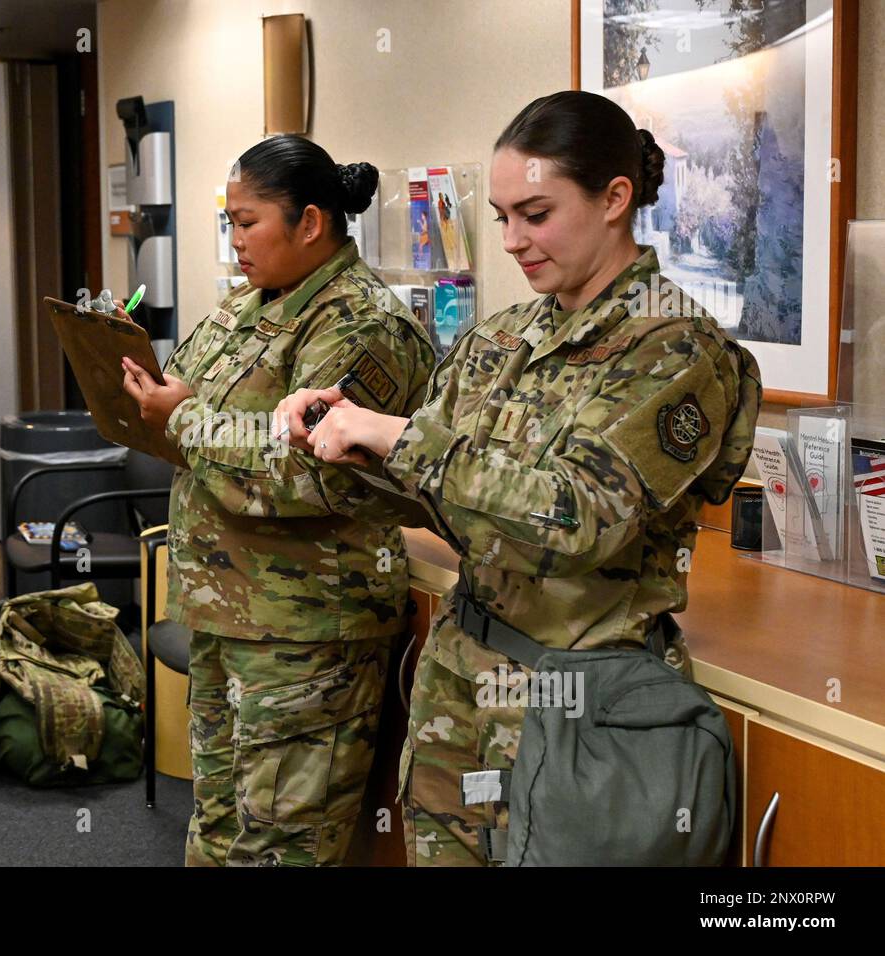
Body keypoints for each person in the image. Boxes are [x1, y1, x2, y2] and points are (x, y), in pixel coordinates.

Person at [277, 90, 761, 866]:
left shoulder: (676, 351)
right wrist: (344, 442)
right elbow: (441, 494)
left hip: (579, 705)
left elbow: (581, 517)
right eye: (501, 216)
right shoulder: (501, 338)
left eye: (535, 214)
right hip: (463, 687)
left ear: (614, 199)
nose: (510, 240)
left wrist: (404, 438)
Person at [122, 134, 437, 866]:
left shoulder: (362, 326)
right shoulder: (246, 307)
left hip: (305, 633)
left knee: (281, 850)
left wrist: (188, 419)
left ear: (310, 223)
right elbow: (191, 420)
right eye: (227, 222)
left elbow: (316, 470)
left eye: (247, 221)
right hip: (224, 610)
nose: (234, 240)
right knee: (218, 830)